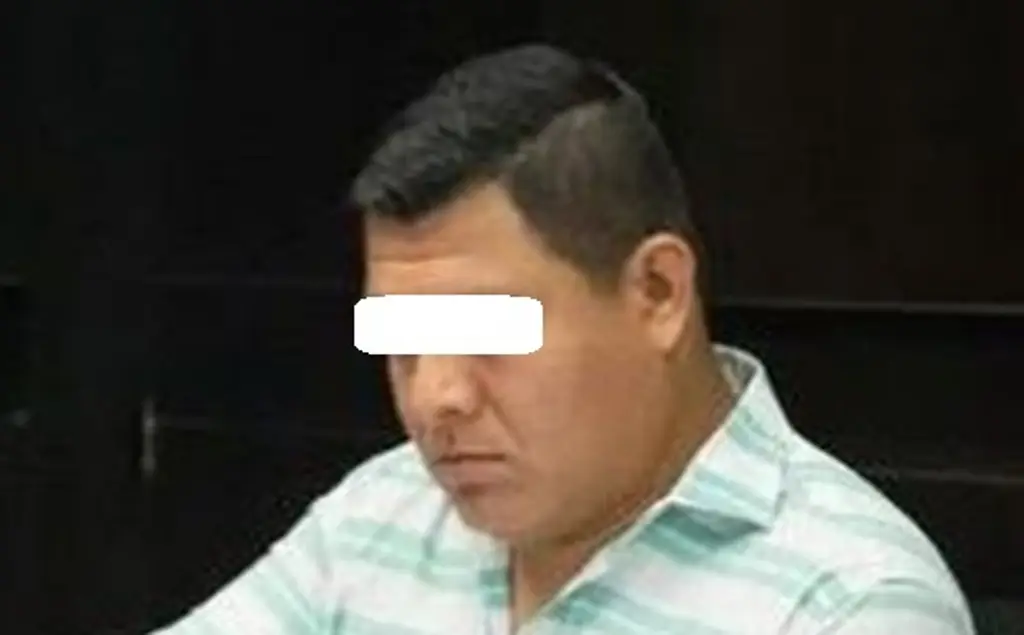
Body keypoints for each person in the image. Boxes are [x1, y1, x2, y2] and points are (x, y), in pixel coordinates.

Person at [152, 44, 974, 634]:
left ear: (657, 292)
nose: (436, 397)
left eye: (485, 328)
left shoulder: (851, 602)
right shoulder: (381, 512)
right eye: (401, 337)